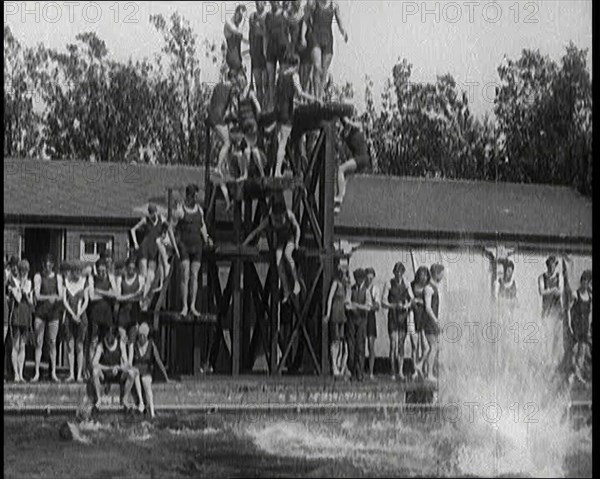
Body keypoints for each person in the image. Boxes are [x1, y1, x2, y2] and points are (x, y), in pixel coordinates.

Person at [243, 193, 302, 302]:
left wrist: (297, 242)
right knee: (278, 259)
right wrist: (244, 244)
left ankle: (296, 283)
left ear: (284, 214)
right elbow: (256, 231)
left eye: (280, 218)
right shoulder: (269, 219)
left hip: (290, 238)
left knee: (287, 254)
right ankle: (286, 289)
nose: (278, 220)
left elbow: (297, 228)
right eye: (276, 218)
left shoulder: (289, 215)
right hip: (280, 240)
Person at [274, 53, 321, 177]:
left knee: (279, 141)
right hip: (287, 112)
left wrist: (295, 101)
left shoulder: (280, 77)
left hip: (279, 111)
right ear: (296, 65)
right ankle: (277, 171)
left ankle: (275, 168)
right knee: (283, 142)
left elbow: (282, 96)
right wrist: (314, 99)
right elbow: (300, 93)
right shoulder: (294, 75)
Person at [174, 184, 214, 317]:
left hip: (197, 245)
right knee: (185, 273)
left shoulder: (199, 210)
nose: (196, 198)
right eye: (194, 195)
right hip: (184, 244)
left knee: (194, 275)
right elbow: (171, 227)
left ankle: (193, 305)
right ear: (189, 196)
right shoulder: (181, 210)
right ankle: (184, 306)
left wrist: (207, 238)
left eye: (197, 195)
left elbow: (202, 226)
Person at [208, 70, 244, 184]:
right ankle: (218, 167)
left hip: (212, 116)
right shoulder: (232, 89)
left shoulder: (217, 86)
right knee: (227, 143)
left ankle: (225, 165)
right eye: (236, 80)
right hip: (219, 118)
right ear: (233, 79)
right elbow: (234, 106)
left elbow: (212, 102)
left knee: (224, 141)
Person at [90, 327, 138, 412]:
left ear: (115, 336)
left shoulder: (121, 344)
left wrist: (118, 367)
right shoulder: (101, 345)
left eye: (111, 337)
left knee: (131, 373)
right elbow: (94, 363)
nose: (109, 339)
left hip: (118, 373)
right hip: (105, 374)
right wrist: (109, 368)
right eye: (107, 337)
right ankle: (99, 400)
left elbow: (126, 363)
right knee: (95, 371)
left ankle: (125, 399)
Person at [32, 254, 63, 382]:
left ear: (53, 265)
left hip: (53, 313)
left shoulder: (58, 277)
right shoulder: (38, 276)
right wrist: (50, 297)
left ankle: (54, 372)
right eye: (46, 263)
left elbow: (61, 295)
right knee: (39, 342)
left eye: (50, 263)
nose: (48, 265)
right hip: (40, 312)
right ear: (43, 264)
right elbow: (37, 295)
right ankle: (37, 373)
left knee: (52, 342)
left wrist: (55, 297)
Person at [381, 262, 415, 380]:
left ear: (403, 273)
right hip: (393, 315)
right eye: (397, 273)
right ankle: (392, 371)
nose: (398, 275)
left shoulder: (406, 284)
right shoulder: (388, 284)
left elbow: (412, 300)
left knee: (401, 344)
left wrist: (406, 306)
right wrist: (393, 305)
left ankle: (400, 371)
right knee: (393, 344)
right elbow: (383, 302)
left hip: (402, 316)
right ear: (394, 273)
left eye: (400, 273)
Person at [129, 322, 169, 419]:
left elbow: (158, 360)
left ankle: (152, 411)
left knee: (146, 382)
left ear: (146, 335)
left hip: (147, 371)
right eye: (140, 335)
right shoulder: (134, 345)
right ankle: (141, 402)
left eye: (144, 335)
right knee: (136, 374)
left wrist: (165, 376)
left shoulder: (151, 344)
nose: (142, 338)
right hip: (137, 370)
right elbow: (130, 362)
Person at [309, 0, 348, 100]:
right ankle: (315, 95)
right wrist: (302, 35)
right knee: (317, 67)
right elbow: (306, 20)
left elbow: (339, 20)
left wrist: (343, 31)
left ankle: (320, 95)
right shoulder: (314, 4)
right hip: (315, 36)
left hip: (328, 38)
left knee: (324, 69)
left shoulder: (334, 6)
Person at [130, 204, 165, 309]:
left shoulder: (161, 219)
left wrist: (163, 237)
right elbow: (133, 230)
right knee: (143, 275)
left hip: (154, 248)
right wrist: (136, 243)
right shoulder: (145, 220)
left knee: (151, 275)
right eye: (151, 213)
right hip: (145, 247)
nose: (152, 215)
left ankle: (147, 300)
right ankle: (141, 301)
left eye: (153, 212)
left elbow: (167, 227)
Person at [334, 116, 371, 213]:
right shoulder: (343, 134)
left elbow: (357, 124)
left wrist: (348, 121)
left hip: (362, 157)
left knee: (340, 169)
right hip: (358, 158)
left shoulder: (356, 127)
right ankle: (338, 205)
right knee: (344, 177)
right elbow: (340, 147)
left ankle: (339, 197)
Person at [63, 261, 90, 383]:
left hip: (81, 316)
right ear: (72, 272)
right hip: (69, 316)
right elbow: (64, 300)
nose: (78, 273)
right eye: (76, 271)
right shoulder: (66, 282)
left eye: (79, 271)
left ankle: (79, 374)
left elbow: (86, 301)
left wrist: (78, 314)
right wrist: (72, 314)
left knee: (79, 346)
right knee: (70, 345)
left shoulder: (84, 282)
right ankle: (71, 374)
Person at [88, 258, 118, 361]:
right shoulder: (92, 278)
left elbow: (116, 294)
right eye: (99, 270)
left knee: (106, 339)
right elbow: (92, 296)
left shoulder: (111, 277)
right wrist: (108, 294)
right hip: (95, 312)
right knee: (94, 340)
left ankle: (104, 363)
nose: (101, 273)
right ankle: (92, 366)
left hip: (107, 313)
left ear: (106, 269)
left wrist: (100, 292)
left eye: (103, 270)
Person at [8, 260, 33, 382]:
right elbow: (17, 298)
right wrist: (21, 286)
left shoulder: (29, 282)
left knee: (23, 346)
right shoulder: (13, 282)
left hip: (25, 315)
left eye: (26, 271)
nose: (24, 273)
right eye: (22, 270)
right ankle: (16, 374)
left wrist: (25, 289)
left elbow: (30, 300)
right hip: (16, 315)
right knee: (15, 345)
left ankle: (21, 373)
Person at [538, 255, 564, 371]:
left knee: (556, 337)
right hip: (547, 311)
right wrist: (553, 290)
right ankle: (546, 362)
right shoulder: (542, 277)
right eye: (550, 265)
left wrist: (551, 291)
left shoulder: (560, 277)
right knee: (547, 337)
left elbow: (560, 292)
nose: (551, 267)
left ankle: (554, 362)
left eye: (554, 265)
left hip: (557, 311)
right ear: (547, 265)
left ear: (556, 265)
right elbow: (541, 292)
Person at [345, 268, 372, 382]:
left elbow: (368, 306)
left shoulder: (366, 291)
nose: (359, 280)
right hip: (352, 320)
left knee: (360, 347)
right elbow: (347, 304)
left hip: (362, 321)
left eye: (361, 278)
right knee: (351, 347)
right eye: (357, 278)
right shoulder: (351, 290)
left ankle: (359, 372)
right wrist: (353, 306)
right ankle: (352, 371)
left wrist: (356, 305)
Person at [324, 263, 350, 377]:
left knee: (341, 340)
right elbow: (330, 298)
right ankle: (334, 365)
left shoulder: (346, 284)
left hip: (343, 313)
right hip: (335, 311)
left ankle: (340, 365)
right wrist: (328, 313)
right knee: (335, 340)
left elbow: (347, 299)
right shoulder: (336, 282)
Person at [567, 270, 592, 386]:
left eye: (587, 282)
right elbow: (568, 310)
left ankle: (574, 376)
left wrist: (589, 329)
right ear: (581, 281)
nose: (585, 284)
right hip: (576, 326)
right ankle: (574, 376)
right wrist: (569, 326)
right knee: (574, 352)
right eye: (583, 281)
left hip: (585, 327)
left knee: (582, 353)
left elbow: (589, 313)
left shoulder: (590, 296)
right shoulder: (575, 294)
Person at [421, 264, 444, 381]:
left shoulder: (433, 287)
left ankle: (423, 367)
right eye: (441, 274)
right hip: (429, 322)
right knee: (433, 347)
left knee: (436, 347)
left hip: (432, 322)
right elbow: (428, 308)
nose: (442, 276)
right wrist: (436, 322)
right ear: (436, 274)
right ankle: (428, 374)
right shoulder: (428, 288)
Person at [265, 0, 289, 112]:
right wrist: (265, 50)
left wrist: (289, 49)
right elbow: (266, 34)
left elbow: (289, 32)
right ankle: (271, 105)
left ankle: (283, 105)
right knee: (271, 78)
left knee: (283, 77)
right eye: (271, 2)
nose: (273, 3)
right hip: (271, 48)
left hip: (282, 47)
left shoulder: (284, 13)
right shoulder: (268, 16)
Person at [116, 257, 144, 345]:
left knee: (132, 343)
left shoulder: (140, 279)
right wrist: (133, 295)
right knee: (122, 341)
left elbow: (140, 297)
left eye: (133, 268)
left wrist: (126, 297)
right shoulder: (120, 279)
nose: (131, 270)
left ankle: (130, 359)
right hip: (123, 312)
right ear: (126, 267)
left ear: (136, 269)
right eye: (129, 268)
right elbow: (118, 297)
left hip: (134, 312)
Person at [411, 266, 431, 379]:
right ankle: (415, 369)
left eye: (425, 275)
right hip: (413, 316)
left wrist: (419, 301)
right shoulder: (412, 285)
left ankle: (424, 368)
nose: (423, 277)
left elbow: (429, 303)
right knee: (415, 345)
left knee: (425, 345)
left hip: (424, 316)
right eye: (421, 274)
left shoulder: (428, 287)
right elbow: (409, 299)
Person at [249, 1, 268, 108]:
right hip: (255, 53)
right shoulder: (252, 17)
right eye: (256, 2)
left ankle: (266, 107)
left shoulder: (267, 16)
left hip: (265, 53)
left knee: (266, 83)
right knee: (258, 84)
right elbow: (251, 34)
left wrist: (260, 30)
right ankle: (259, 107)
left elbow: (268, 33)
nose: (258, 4)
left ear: (264, 3)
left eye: (260, 2)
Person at [364, 267, 380, 380]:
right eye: (367, 277)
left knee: (371, 345)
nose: (369, 279)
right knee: (359, 343)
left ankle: (371, 371)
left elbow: (377, 305)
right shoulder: (361, 287)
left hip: (370, 316)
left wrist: (371, 307)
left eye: (371, 277)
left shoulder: (375, 289)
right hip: (361, 315)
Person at [155, 220, 180, 291]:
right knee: (160, 260)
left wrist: (165, 243)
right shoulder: (164, 233)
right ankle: (161, 284)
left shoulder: (174, 233)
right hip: (165, 251)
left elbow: (173, 245)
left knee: (158, 241)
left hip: (171, 250)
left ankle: (166, 265)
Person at [224, 4, 249, 76]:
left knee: (242, 81)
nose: (240, 19)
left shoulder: (237, 26)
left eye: (242, 17)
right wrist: (244, 21)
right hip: (232, 58)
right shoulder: (229, 23)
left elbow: (244, 39)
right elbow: (237, 32)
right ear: (236, 13)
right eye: (240, 15)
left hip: (238, 59)